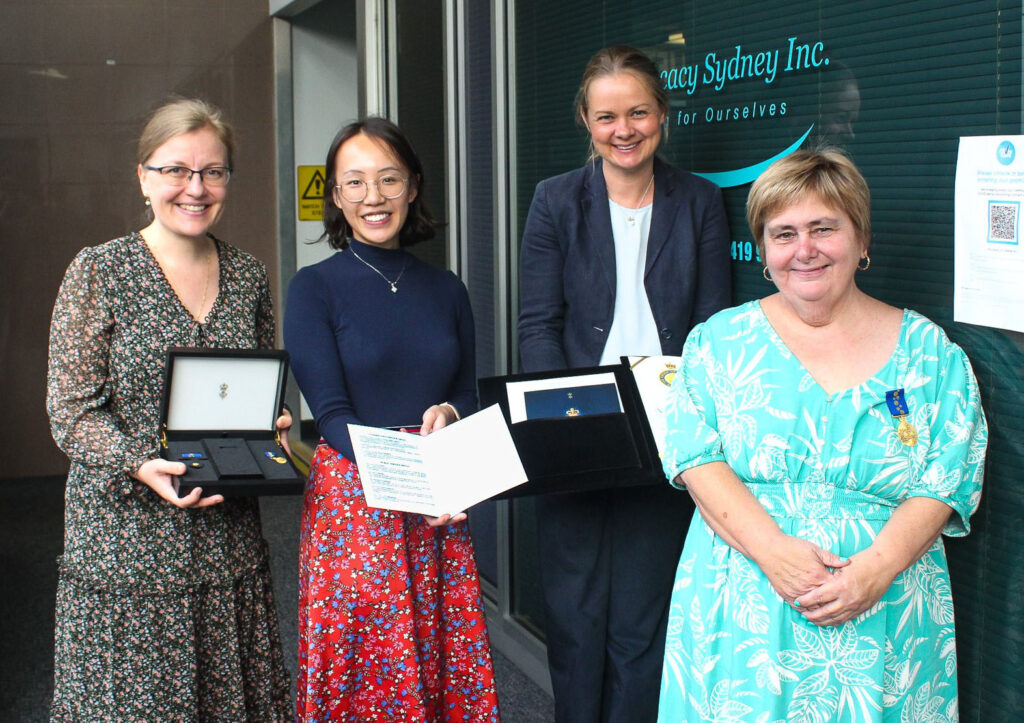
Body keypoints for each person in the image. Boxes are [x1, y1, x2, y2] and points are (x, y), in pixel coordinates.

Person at [657, 149, 987, 722]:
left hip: (886, 611)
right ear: (763, 250)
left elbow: (948, 476)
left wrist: (875, 570)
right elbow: (693, 458)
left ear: (861, 241)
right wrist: (775, 553)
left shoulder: (930, 353)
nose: (803, 250)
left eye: (823, 228)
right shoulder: (718, 343)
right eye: (782, 233)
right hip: (745, 610)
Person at [46, 98, 292, 720]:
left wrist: (271, 427)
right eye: (176, 170)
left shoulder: (248, 275)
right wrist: (139, 461)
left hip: (224, 536)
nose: (196, 187)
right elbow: (70, 411)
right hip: (125, 541)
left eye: (213, 171)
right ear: (143, 178)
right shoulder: (99, 271)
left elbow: (252, 386)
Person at [517, 45, 732, 722]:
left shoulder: (698, 200)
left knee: (644, 623)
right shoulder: (555, 200)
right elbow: (539, 323)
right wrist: (563, 421)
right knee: (577, 623)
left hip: (664, 433)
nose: (624, 128)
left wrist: (686, 417)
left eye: (638, 111)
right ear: (586, 119)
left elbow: (711, 326)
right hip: (575, 427)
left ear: (662, 115)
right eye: (608, 115)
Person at [283, 116, 500, 722]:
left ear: (413, 186)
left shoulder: (447, 288)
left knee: (439, 654)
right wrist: (413, 471)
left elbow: (466, 394)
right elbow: (329, 416)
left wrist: (452, 414)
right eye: (354, 183)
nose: (372, 197)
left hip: (438, 495)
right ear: (334, 194)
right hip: (357, 500)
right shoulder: (314, 289)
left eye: (388, 179)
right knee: (364, 666)